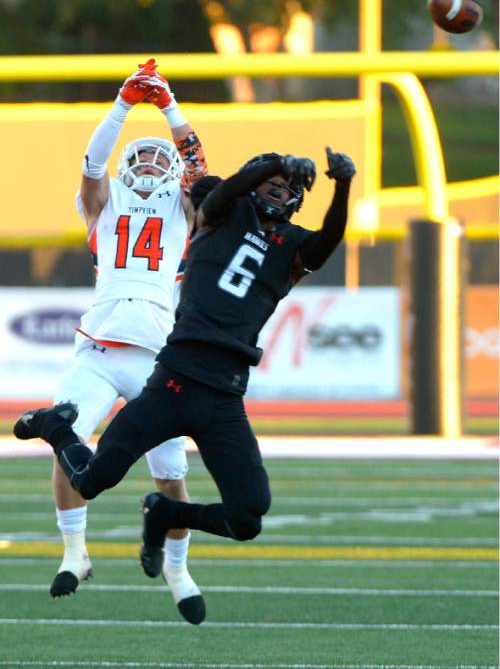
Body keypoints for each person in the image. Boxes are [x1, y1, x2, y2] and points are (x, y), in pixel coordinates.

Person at [13, 147, 355, 616]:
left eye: (286, 187)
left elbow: (330, 238)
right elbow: (223, 188)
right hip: (173, 379)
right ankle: (55, 427)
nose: (278, 191)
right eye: (270, 182)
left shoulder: (292, 249)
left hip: (224, 395)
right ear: (252, 183)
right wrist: (271, 165)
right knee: (93, 480)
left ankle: (167, 515)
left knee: (248, 517)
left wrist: (343, 186)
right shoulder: (218, 213)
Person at [28, 58, 208, 624]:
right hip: (101, 348)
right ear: (129, 165)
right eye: (144, 154)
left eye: (162, 156)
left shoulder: (186, 209)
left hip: (159, 358)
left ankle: (177, 567)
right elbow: (91, 164)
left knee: (171, 476)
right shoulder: (101, 206)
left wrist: (170, 106)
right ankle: (75, 551)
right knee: (66, 434)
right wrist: (124, 105)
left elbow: (201, 170)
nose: (153, 162)